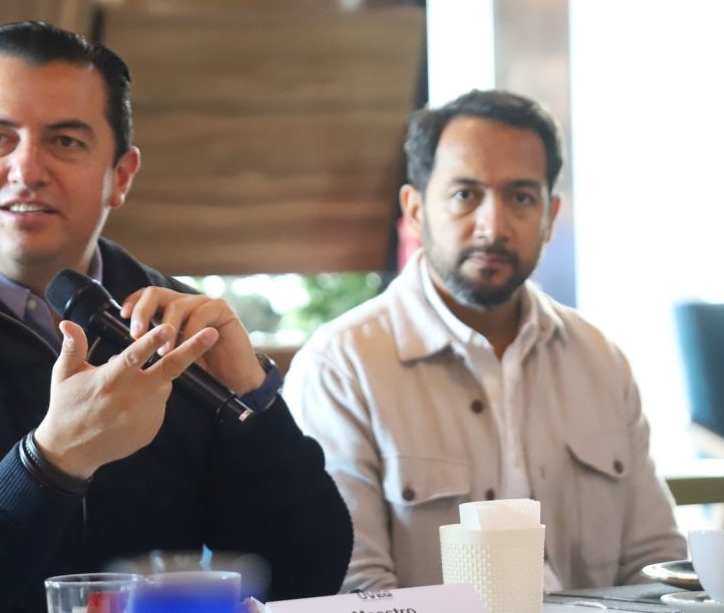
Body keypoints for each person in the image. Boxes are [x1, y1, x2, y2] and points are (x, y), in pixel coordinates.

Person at [0, 21, 352, 612]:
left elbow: (306, 576)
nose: (26, 169)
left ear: (120, 177)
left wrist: (253, 400)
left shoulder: (172, 323)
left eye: (65, 141)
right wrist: (53, 459)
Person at [282, 89, 685, 593]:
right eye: (465, 195)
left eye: (521, 198)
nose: (493, 226)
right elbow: (357, 588)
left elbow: (656, 564)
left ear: (550, 215)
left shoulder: (600, 360)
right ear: (414, 209)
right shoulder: (341, 367)